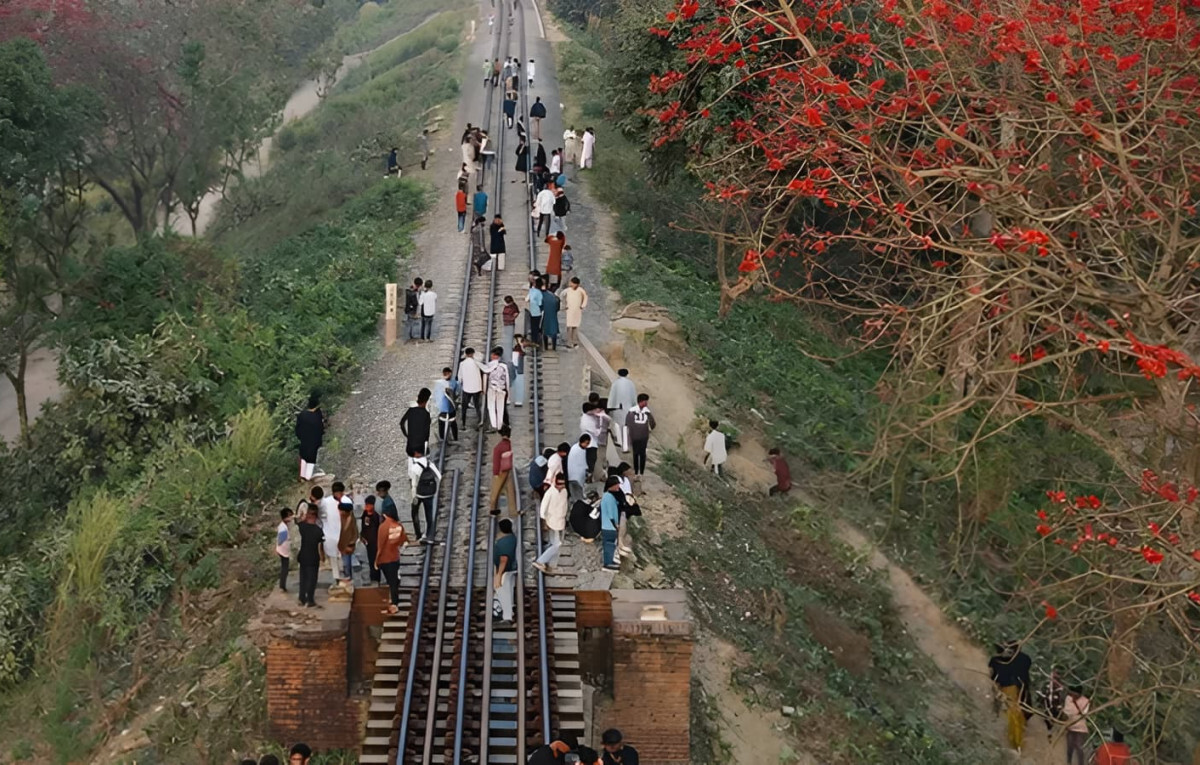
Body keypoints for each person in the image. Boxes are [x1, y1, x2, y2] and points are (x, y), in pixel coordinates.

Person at [988, 641, 1033, 751]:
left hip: (1008, 688)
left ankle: (1016, 742)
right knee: (1017, 712)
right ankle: (1016, 738)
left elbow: (992, 675)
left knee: (1012, 713)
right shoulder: (1023, 659)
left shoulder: (996, 661)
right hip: (1017, 688)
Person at [375, 501, 408, 615]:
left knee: (390, 582)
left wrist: (376, 560)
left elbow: (380, 546)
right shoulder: (398, 526)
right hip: (395, 557)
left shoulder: (383, 527)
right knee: (394, 581)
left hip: (385, 559)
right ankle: (394, 601)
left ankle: (393, 603)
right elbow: (403, 541)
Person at [532, 473, 569, 573]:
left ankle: (552, 565)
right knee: (557, 544)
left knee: (555, 544)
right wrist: (544, 522)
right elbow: (543, 508)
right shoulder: (550, 493)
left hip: (561, 522)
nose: (561, 486)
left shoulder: (564, 492)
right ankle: (540, 561)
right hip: (551, 522)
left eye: (562, 484)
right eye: (559, 484)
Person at [408, 448, 442, 543]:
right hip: (430, 493)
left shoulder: (415, 467)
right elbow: (439, 476)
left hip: (419, 494)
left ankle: (418, 534)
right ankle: (428, 534)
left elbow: (414, 483)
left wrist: (413, 496)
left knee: (414, 513)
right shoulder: (430, 464)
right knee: (429, 514)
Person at [319, 483, 346, 586]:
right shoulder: (326, 502)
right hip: (330, 535)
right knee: (334, 558)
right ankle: (337, 579)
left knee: (343, 558)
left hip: (342, 534)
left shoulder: (345, 501)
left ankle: (345, 577)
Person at [296, 505, 323, 607]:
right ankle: (310, 600)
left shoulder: (301, 527)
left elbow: (296, 521)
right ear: (316, 516)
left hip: (303, 556)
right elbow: (320, 546)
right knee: (312, 579)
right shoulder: (318, 530)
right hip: (313, 557)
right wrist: (322, 557)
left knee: (303, 578)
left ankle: (301, 598)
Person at [489, 425, 518, 516]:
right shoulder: (508, 444)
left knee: (496, 490)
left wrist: (495, 473)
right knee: (510, 491)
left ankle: (493, 509)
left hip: (500, 471)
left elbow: (496, 461)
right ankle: (513, 511)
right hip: (507, 470)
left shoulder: (498, 447)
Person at [295, 394, 325, 482]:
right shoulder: (317, 417)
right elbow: (321, 430)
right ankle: (308, 478)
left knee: (303, 457)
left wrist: (300, 437)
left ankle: (302, 476)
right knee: (311, 459)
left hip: (304, 441)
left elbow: (297, 429)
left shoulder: (302, 415)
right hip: (314, 442)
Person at [493, 518, 517, 622]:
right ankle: (509, 613)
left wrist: (498, 575)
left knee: (502, 592)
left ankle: (506, 615)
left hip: (504, 571)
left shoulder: (503, 543)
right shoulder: (513, 538)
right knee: (508, 591)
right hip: (511, 570)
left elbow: (504, 559)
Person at [614, 462, 639, 558]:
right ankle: (618, 544)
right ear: (624, 471)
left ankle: (621, 543)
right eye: (629, 470)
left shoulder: (626, 480)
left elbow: (628, 492)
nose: (631, 472)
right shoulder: (616, 479)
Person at [608, 369, 637, 451]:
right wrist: (635, 407)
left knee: (618, 425)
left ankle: (620, 442)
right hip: (628, 408)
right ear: (627, 374)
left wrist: (610, 407)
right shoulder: (631, 384)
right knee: (626, 426)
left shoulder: (615, 383)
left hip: (617, 408)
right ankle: (626, 445)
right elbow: (634, 396)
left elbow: (612, 396)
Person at [627, 394, 656, 475]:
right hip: (640, 436)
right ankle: (639, 472)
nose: (646, 403)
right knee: (639, 454)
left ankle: (639, 472)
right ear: (641, 401)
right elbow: (653, 424)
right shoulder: (643, 412)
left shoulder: (634, 411)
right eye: (645, 401)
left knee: (638, 454)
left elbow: (628, 422)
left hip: (638, 436)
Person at [483, 346, 510, 432]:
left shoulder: (489, 365)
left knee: (491, 407)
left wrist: (484, 390)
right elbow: (507, 380)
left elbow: (485, 378)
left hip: (492, 389)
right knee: (500, 408)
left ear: (494, 355)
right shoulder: (504, 366)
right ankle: (500, 426)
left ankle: (493, 425)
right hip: (502, 389)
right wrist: (507, 392)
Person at [458, 347, 486, 427]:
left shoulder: (462, 364)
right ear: (473, 354)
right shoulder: (476, 363)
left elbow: (460, 377)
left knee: (464, 406)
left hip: (466, 388)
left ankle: (463, 423)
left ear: (466, 354)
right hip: (476, 388)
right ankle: (480, 420)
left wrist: (461, 384)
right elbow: (484, 368)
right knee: (477, 405)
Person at [401, 388, 433, 456]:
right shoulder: (426, 414)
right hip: (420, 449)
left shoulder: (411, 410)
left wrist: (407, 436)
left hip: (409, 448)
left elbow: (401, 423)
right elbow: (426, 434)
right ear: (426, 401)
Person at [1062, 686, 1090, 765]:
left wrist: (1073, 711)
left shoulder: (1086, 701)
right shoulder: (1068, 698)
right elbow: (1067, 712)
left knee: (1079, 747)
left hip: (1081, 728)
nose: (1073, 696)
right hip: (1070, 727)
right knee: (1069, 746)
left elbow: (1083, 714)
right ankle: (1069, 762)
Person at [433, 366, 460, 444]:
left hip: (443, 409)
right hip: (450, 408)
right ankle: (455, 438)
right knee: (452, 424)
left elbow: (435, 395)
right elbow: (457, 393)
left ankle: (442, 438)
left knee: (442, 423)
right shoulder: (454, 383)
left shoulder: (439, 384)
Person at [359, 495, 382, 586]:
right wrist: (362, 536)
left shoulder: (376, 516)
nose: (367, 507)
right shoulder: (365, 514)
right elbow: (363, 526)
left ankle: (376, 578)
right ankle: (372, 577)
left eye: (369, 505)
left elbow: (379, 528)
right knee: (370, 559)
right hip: (368, 541)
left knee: (375, 560)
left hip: (375, 541)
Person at [600, 476, 621, 570]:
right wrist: (615, 525)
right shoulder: (608, 497)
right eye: (617, 485)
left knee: (610, 544)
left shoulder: (609, 496)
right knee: (609, 544)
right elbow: (610, 513)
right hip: (609, 526)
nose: (618, 486)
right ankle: (607, 563)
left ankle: (610, 560)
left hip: (608, 526)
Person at [337, 501, 358, 585]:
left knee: (347, 564)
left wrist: (350, 544)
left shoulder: (350, 519)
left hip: (348, 545)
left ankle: (348, 577)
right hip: (341, 545)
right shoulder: (342, 518)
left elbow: (354, 533)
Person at [567, 434, 591, 503]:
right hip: (575, 478)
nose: (587, 445)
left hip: (578, 478)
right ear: (581, 441)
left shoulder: (582, 450)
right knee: (578, 499)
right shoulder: (575, 449)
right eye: (586, 443)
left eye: (588, 443)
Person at [276, 507, 293, 592]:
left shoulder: (284, 526)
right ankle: (282, 586)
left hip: (283, 549)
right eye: (289, 516)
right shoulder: (283, 527)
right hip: (283, 550)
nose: (291, 518)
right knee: (285, 568)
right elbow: (281, 539)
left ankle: (282, 585)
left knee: (285, 567)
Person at [541, 278, 561, 351]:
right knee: (553, 330)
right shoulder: (554, 297)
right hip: (553, 315)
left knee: (544, 330)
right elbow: (557, 308)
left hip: (545, 315)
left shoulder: (541, 295)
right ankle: (554, 347)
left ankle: (546, 347)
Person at [511, 336, 529, 406]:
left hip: (516, 366)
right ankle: (518, 400)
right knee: (518, 383)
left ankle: (517, 400)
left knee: (514, 382)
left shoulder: (517, 349)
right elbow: (523, 352)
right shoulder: (519, 349)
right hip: (517, 367)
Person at [526, 278, 545, 344]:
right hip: (537, 312)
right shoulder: (539, 293)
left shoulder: (531, 290)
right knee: (537, 327)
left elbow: (527, 299)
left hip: (531, 311)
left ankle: (533, 340)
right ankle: (536, 340)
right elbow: (540, 303)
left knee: (532, 326)